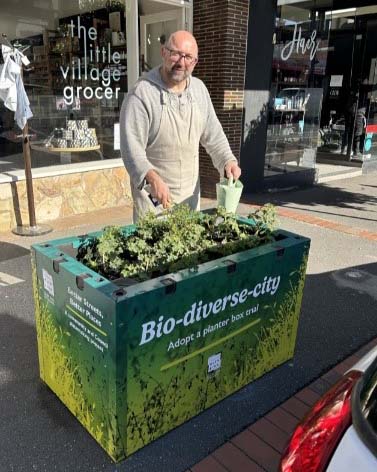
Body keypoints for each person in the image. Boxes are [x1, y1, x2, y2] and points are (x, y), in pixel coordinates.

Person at [120, 30, 241, 222]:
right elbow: (131, 149)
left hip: (190, 200)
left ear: (195, 62)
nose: (181, 62)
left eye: (188, 57)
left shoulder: (199, 90)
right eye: (175, 53)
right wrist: (151, 177)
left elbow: (214, 135)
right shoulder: (142, 94)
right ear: (163, 53)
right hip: (154, 200)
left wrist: (228, 160)